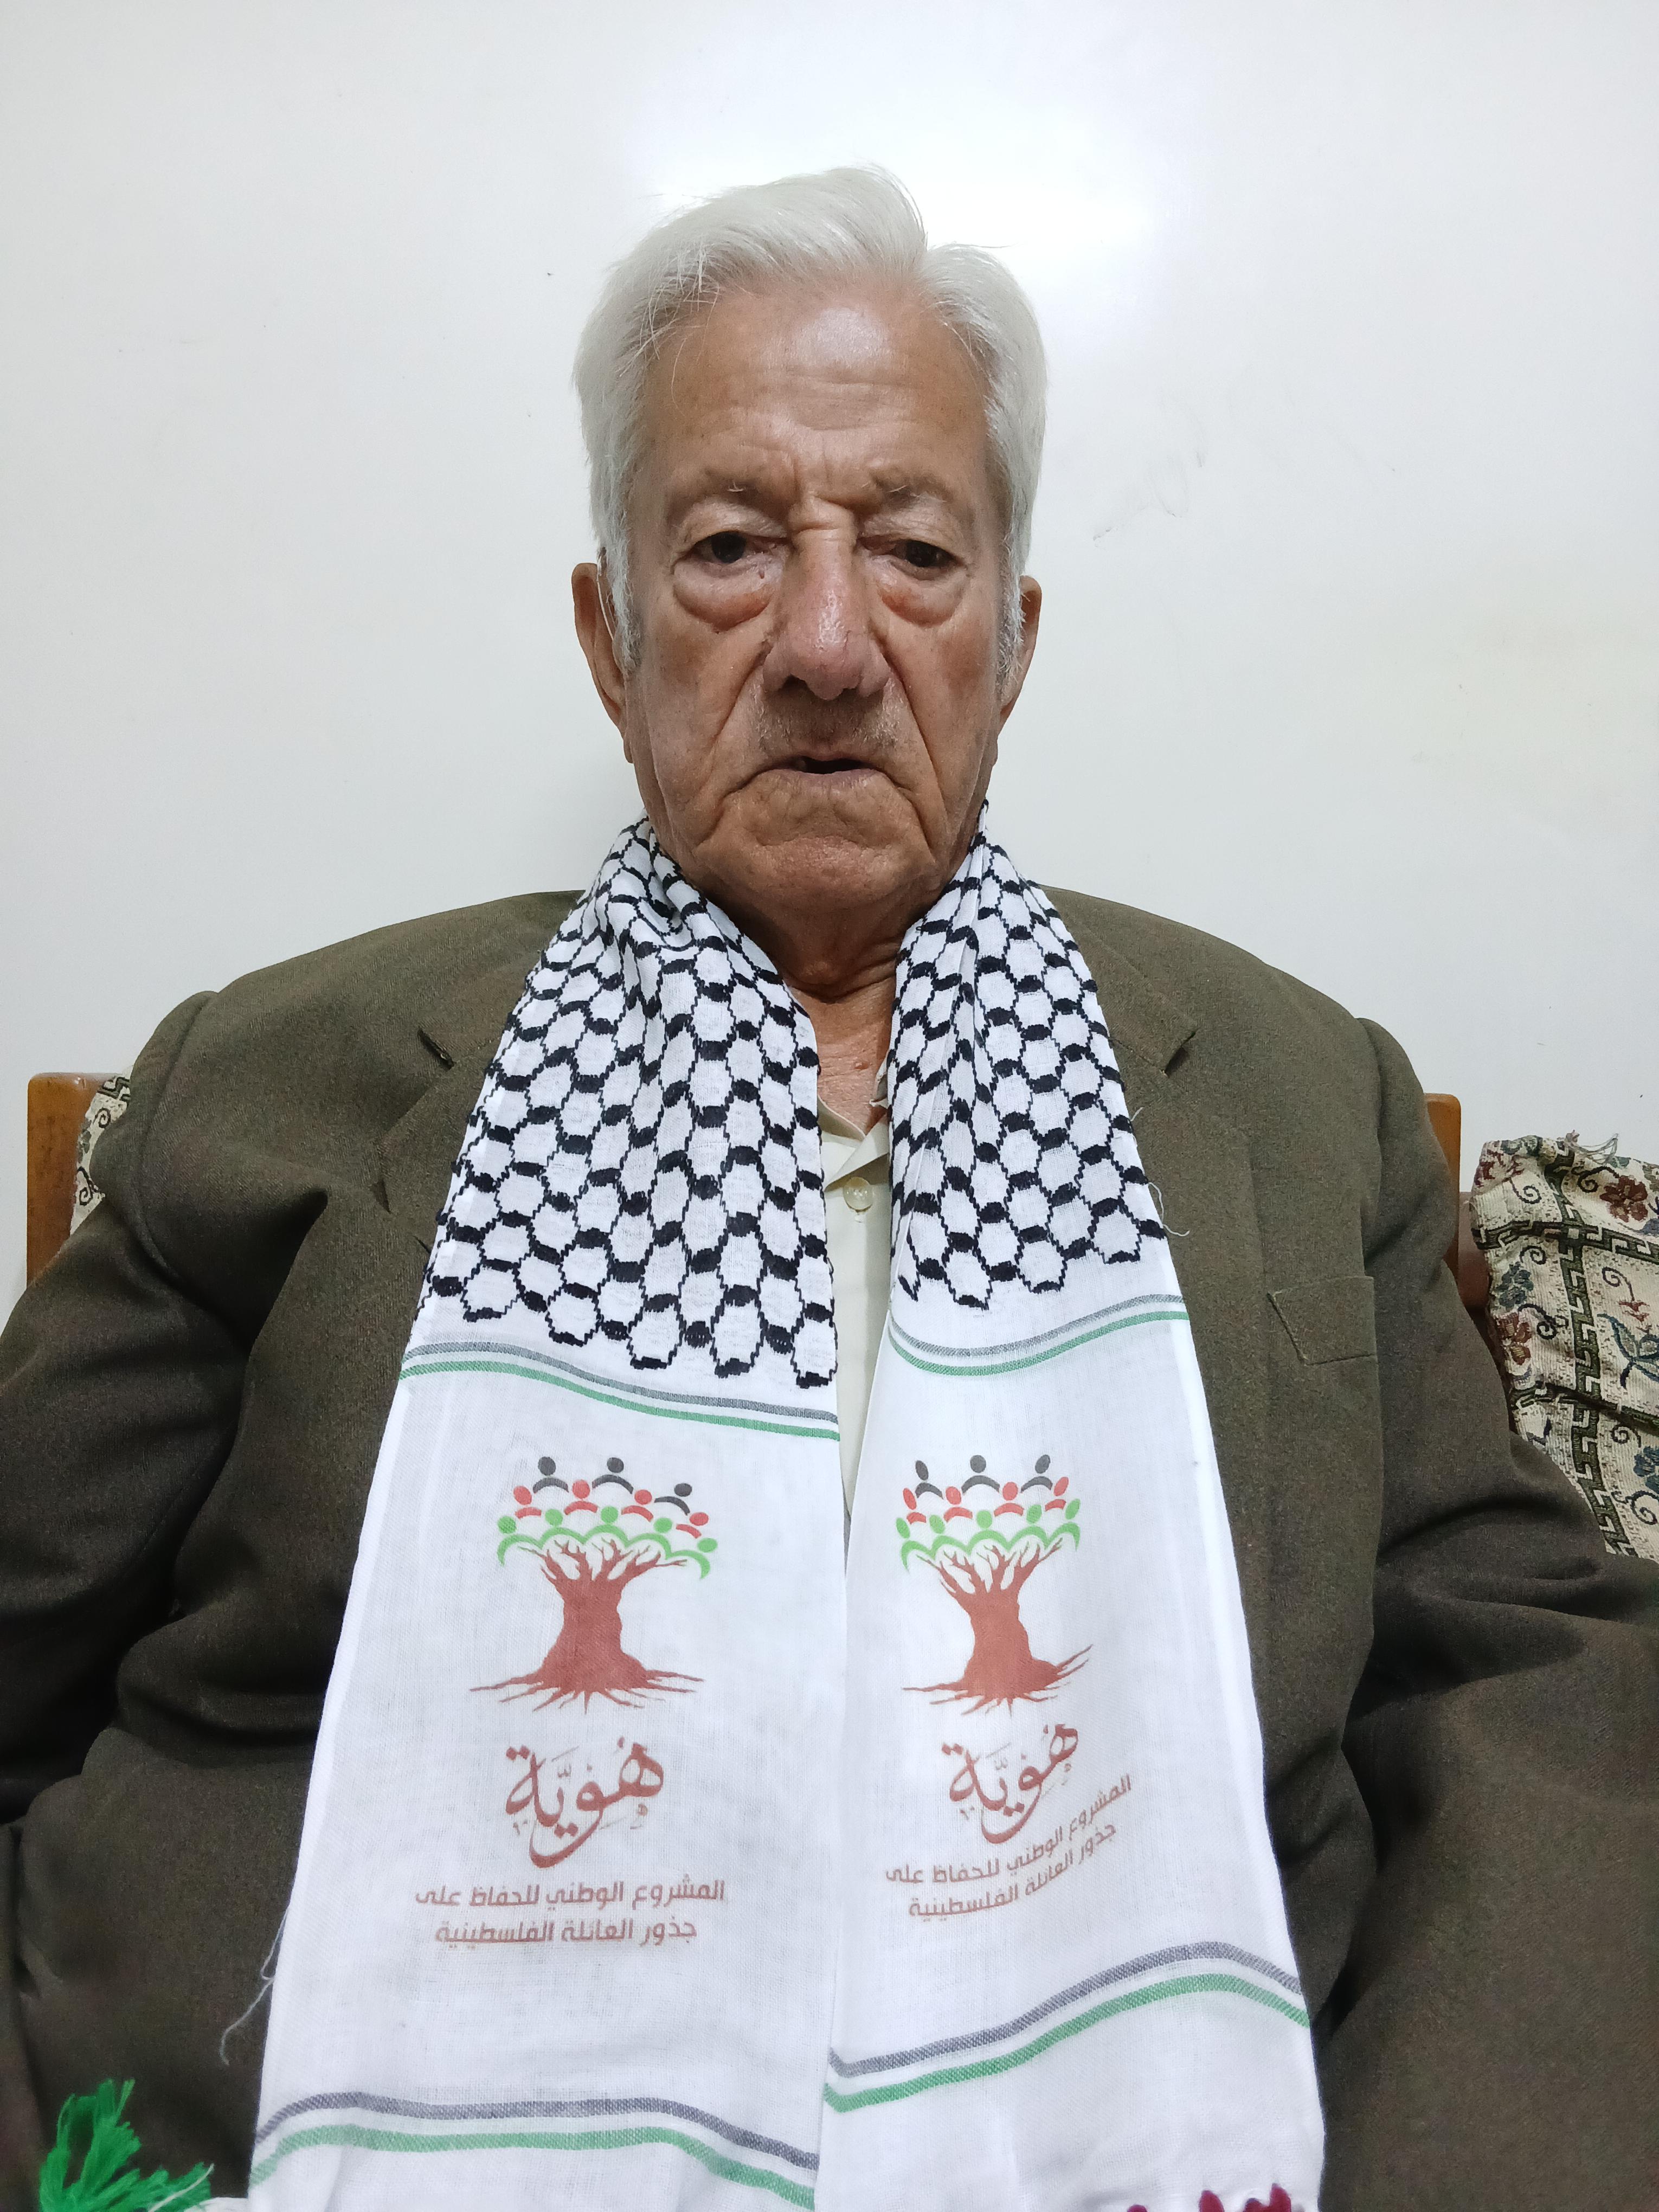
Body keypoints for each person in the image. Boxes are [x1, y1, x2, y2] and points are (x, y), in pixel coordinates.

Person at [1, 168, 1653, 2212]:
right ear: (608, 638)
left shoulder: (1295, 1103)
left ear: (1011, 640)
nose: (823, 644)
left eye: (913, 552)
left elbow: (1530, 1685)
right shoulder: (274, 1081)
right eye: (725, 546)